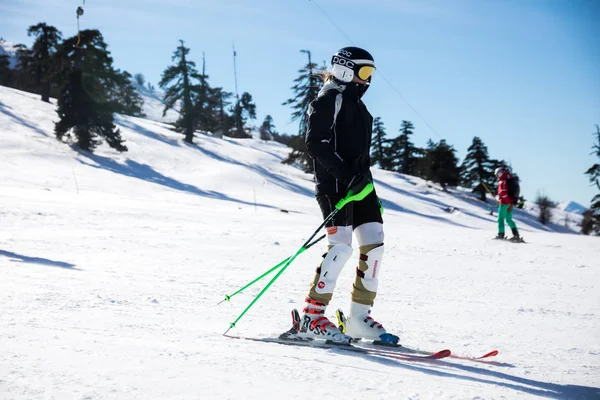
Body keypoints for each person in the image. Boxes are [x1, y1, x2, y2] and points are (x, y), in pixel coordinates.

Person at [291, 46, 399, 345]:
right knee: (340, 249)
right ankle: (311, 319)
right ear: (344, 70)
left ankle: (358, 319)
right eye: (364, 73)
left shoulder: (359, 107)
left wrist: (366, 185)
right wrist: (344, 175)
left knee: (374, 247)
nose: (367, 81)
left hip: (361, 187)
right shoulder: (329, 99)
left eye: (371, 74)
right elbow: (316, 144)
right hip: (335, 186)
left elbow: (360, 155)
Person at [494, 167, 520, 241]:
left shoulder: (502, 181)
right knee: (509, 220)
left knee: (500, 219)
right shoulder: (510, 180)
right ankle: (516, 235)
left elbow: (503, 193)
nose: (497, 176)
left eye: (497, 174)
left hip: (504, 203)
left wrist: (503, 200)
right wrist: (511, 203)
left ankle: (501, 234)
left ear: (500, 173)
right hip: (510, 203)